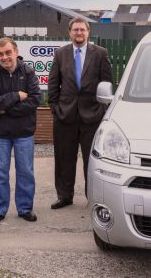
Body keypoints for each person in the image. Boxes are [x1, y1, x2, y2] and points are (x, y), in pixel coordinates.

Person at [48, 17, 112, 209]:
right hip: (65, 116)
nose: (79, 33)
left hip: (92, 116)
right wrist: (55, 108)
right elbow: (53, 83)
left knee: (91, 161)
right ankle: (64, 196)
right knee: (64, 159)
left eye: (82, 30)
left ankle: (91, 197)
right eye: (75, 30)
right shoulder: (61, 54)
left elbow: (107, 83)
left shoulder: (100, 53)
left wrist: (102, 110)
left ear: (88, 32)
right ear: (70, 32)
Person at [0, 37, 41, 225]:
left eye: (8, 52)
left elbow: (34, 100)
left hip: (24, 132)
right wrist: (15, 96)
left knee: (25, 172)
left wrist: (5, 109)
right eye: (0, 54)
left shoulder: (28, 72)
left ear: (15, 51)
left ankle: (25, 208)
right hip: (0, 133)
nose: (4, 57)